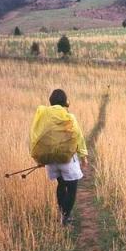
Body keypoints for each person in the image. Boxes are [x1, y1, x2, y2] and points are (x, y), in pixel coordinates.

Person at [45, 89, 88, 225]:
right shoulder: (69, 117)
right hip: (66, 159)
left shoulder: (45, 118)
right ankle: (65, 217)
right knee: (72, 188)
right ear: (65, 102)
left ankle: (62, 213)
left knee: (61, 184)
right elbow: (78, 136)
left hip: (51, 159)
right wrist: (83, 155)